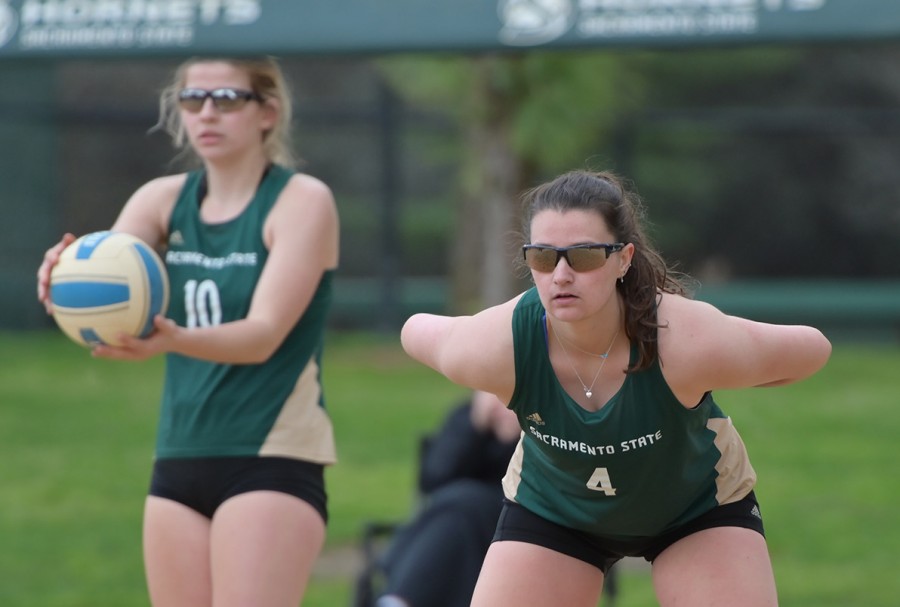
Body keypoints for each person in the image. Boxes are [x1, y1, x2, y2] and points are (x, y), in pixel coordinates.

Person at [400, 169, 832, 607]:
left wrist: (726, 376)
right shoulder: (498, 347)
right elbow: (415, 331)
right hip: (555, 509)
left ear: (623, 258)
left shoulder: (684, 341)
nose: (561, 275)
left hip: (694, 506)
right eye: (544, 257)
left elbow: (813, 349)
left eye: (583, 256)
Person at [37, 56, 340, 606]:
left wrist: (172, 338)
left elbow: (264, 333)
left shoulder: (301, 201)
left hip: (271, 455)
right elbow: (108, 275)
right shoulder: (161, 200)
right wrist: (65, 278)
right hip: (178, 457)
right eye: (192, 99)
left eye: (226, 99)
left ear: (267, 112)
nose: (206, 113)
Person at [372, 390, 520, 607]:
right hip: (453, 519)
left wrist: (513, 440)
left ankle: (396, 601)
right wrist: (475, 427)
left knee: (463, 503)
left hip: (507, 517)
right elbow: (434, 478)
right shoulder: (467, 416)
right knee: (455, 509)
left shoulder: (539, 422)